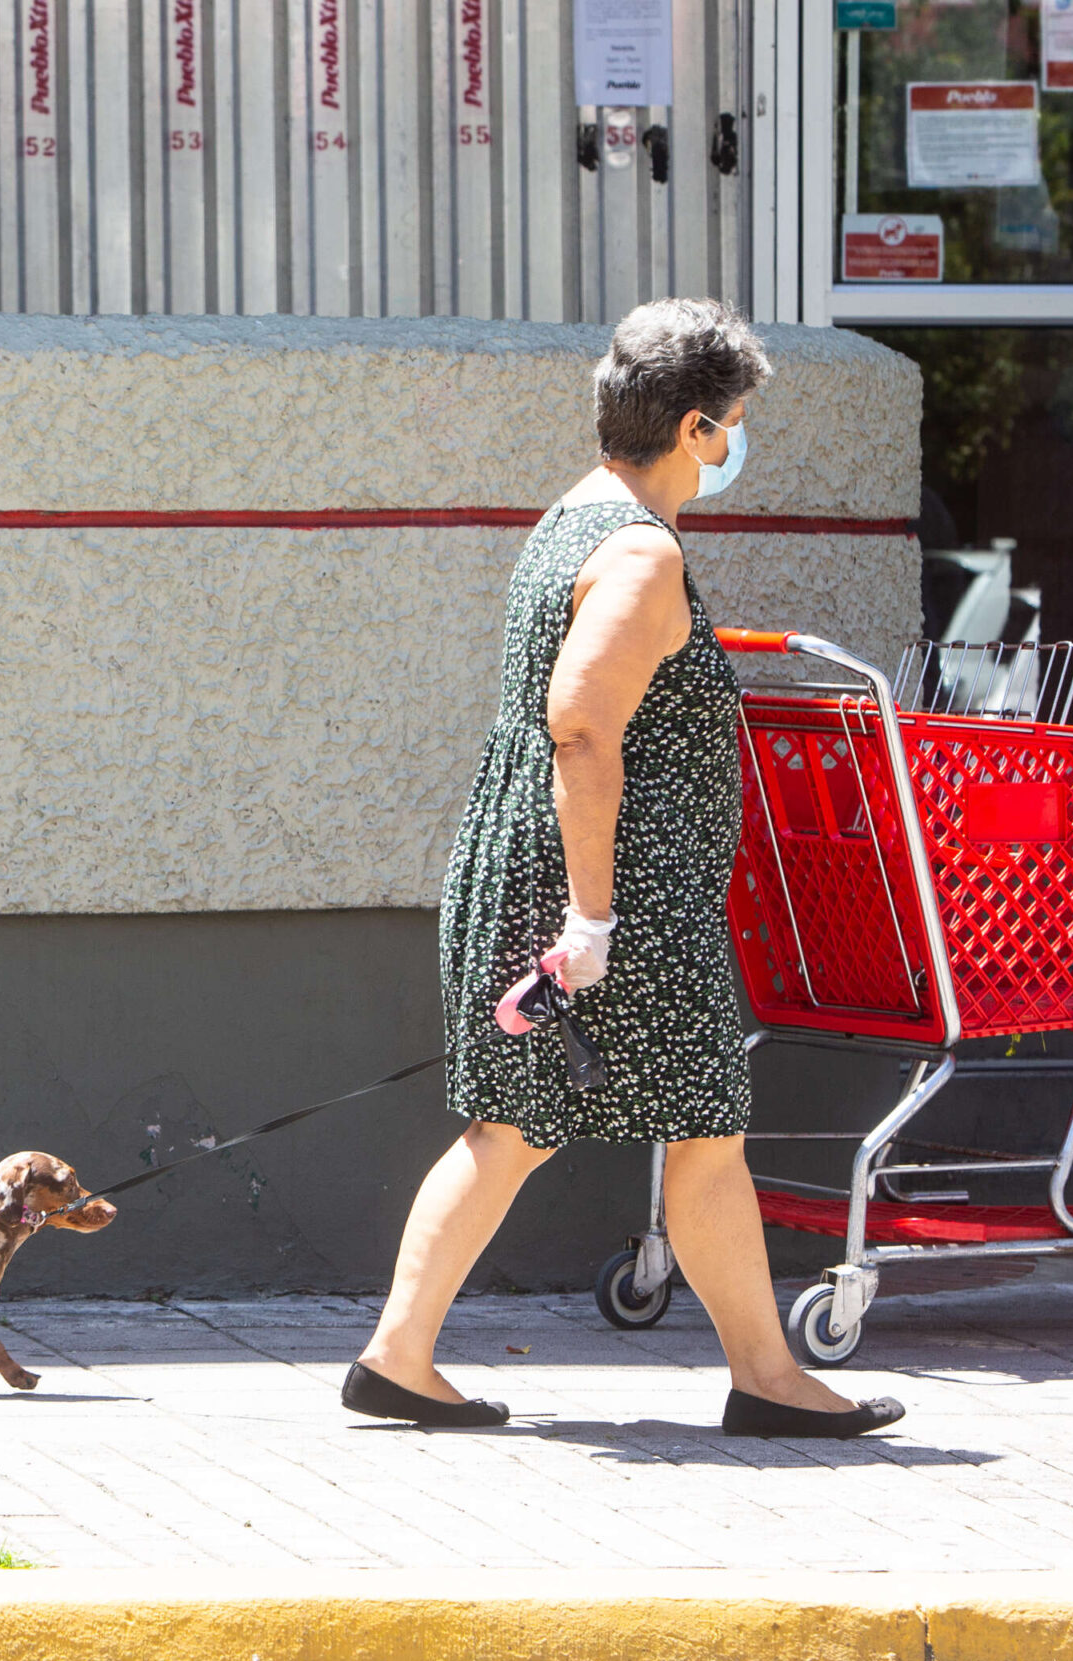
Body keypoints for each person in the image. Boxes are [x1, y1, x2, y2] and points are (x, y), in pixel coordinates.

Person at [343, 298, 905, 1439]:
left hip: (546, 867)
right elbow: (582, 728)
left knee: (515, 1123)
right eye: (732, 420)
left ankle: (398, 1356)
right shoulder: (642, 552)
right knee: (702, 1125)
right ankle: (769, 1378)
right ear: (695, 427)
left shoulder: (572, 516)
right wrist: (591, 919)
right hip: (614, 893)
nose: (737, 440)